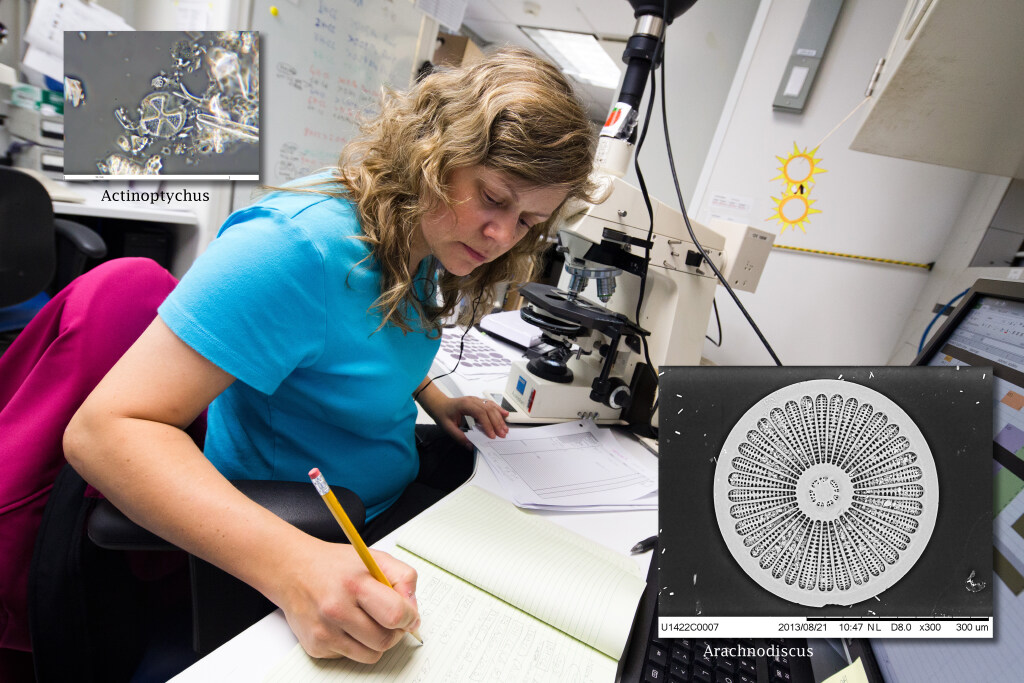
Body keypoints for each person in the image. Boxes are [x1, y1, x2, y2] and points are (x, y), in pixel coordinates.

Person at [63, 47, 597, 664]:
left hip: (383, 511)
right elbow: (104, 432)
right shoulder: (293, 249)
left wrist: (433, 396)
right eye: (494, 198)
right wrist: (296, 567)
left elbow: (365, 334)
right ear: (434, 152)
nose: (503, 235)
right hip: (303, 539)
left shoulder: (423, 233)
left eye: (529, 220)